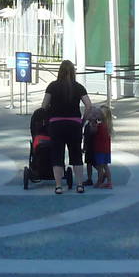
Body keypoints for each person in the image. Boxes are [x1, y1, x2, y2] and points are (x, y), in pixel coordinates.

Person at [40, 59, 93, 194]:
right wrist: (82, 121)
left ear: (60, 71)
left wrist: (48, 117)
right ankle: (79, 185)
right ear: (73, 72)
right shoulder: (79, 87)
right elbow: (89, 105)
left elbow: (43, 105)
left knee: (57, 155)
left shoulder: (52, 86)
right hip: (74, 124)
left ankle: (58, 186)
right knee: (76, 154)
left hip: (56, 124)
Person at [86, 103, 114, 189]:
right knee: (105, 166)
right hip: (106, 150)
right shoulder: (108, 126)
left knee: (100, 167)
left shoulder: (100, 126)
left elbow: (92, 131)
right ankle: (109, 182)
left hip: (99, 150)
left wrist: (92, 122)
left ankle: (99, 182)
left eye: (98, 113)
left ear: (102, 116)